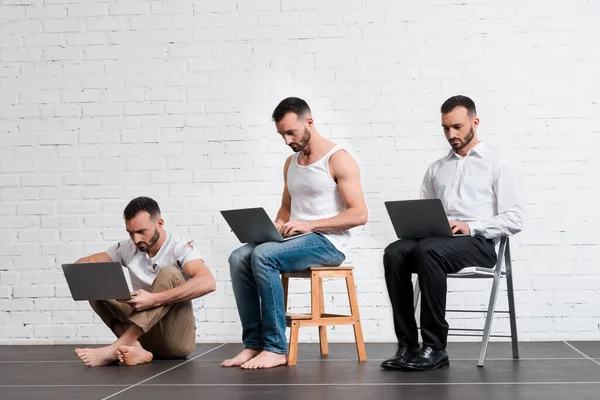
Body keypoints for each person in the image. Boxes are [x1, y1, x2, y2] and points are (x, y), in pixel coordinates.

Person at [222, 97, 368, 369]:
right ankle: (253, 344)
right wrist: (275, 225)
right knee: (239, 256)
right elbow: (287, 208)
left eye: (292, 132)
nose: (287, 140)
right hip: (296, 239)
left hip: (329, 243)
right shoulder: (291, 163)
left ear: (309, 122)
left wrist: (311, 224)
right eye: (282, 134)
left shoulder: (338, 159)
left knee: (264, 255)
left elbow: (359, 214)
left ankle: (276, 348)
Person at [381, 95, 524, 371]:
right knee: (394, 252)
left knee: (427, 250)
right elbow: (424, 209)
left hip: (478, 243)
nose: (451, 134)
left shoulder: (498, 164)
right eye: (446, 128)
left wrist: (472, 226)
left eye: (457, 126)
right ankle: (407, 344)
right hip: (436, 241)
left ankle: (434, 347)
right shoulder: (437, 168)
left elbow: (515, 218)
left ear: (475, 122)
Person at [73, 197, 216, 367]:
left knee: (170, 273)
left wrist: (153, 299)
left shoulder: (179, 247)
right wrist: (80, 269)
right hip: (143, 333)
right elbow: (88, 262)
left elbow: (208, 282)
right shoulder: (129, 248)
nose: (136, 239)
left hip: (175, 340)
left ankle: (118, 347)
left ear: (160, 223)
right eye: (131, 232)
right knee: (96, 283)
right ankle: (136, 348)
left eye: (142, 231)